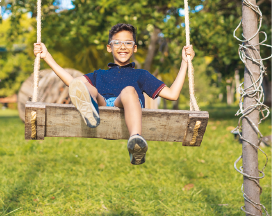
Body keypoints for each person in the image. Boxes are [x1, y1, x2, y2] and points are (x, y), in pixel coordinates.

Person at [34, 23, 195, 165]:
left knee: (128, 91)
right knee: (85, 87)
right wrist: (46, 57)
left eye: (128, 43)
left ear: (134, 48)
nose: (122, 46)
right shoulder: (99, 74)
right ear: (109, 47)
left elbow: (173, 94)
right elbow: (71, 82)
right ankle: (89, 110)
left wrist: (184, 62)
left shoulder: (141, 75)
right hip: (103, 108)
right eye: (117, 42)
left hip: (129, 106)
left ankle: (135, 140)